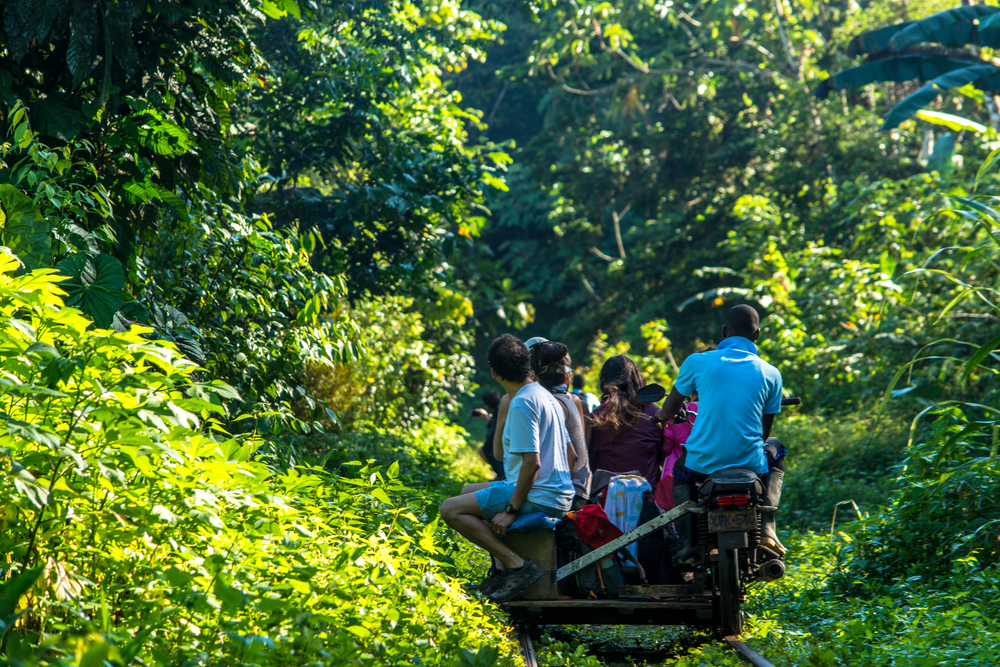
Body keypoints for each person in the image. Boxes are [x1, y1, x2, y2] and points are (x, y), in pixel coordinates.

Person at [440, 334, 575, 603]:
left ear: (493, 371)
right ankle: (500, 573)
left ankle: (516, 566)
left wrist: (511, 509)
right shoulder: (545, 394)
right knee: (467, 490)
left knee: (450, 508)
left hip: (540, 495)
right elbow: (571, 456)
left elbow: (532, 464)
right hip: (558, 492)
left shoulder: (522, 402)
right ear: (527, 363)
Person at [656, 305, 787, 560]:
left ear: (724, 331)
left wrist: (662, 416)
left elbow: (670, 408)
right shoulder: (771, 372)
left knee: (681, 470)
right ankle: (768, 526)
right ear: (757, 334)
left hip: (703, 463)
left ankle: (688, 543)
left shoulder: (697, 361)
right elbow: (764, 432)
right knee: (776, 445)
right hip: (751, 463)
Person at [586, 355, 664, 490]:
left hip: (606, 496)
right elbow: (664, 456)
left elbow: (590, 460)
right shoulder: (655, 414)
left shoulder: (597, 416)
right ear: (636, 378)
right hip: (646, 495)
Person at [531, 341, 592, 509]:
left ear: (533, 375)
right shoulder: (573, 399)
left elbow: (571, 457)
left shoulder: (550, 404)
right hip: (582, 488)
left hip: (569, 493)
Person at [473, 391, 504, 480]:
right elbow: (498, 423)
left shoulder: (499, 408)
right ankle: (500, 474)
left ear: (488, 405)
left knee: (486, 448)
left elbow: (492, 434)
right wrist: (488, 418)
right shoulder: (500, 406)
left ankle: (501, 475)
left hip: (498, 446)